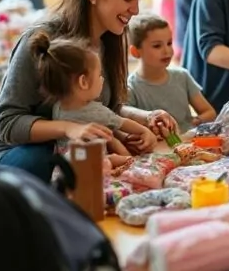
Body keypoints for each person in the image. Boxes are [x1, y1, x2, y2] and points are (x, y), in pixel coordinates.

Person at [0, 0, 178, 183]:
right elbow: (6, 123)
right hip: (17, 152)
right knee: (59, 163)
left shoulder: (110, 40)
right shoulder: (42, 38)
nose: (136, 9)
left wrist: (146, 117)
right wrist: (71, 129)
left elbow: (103, 109)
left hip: (71, 150)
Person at [30, 31, 152, 168]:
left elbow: (111, 138)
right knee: (124, 161)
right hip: (95, 168)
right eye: (99, 75)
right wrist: (144, 131)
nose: (102, 79)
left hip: (66, 169)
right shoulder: (95, 111)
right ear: (83, 82)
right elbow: (123, 123)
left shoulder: (57, 107)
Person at [126, 14, 216, 131]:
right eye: (157, 46)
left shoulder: (182, 76)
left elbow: (209, 112)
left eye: (169, 43)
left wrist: (194, 122)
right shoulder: (131, 88)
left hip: (188, 139)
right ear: (135, 52)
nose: (167, 51)